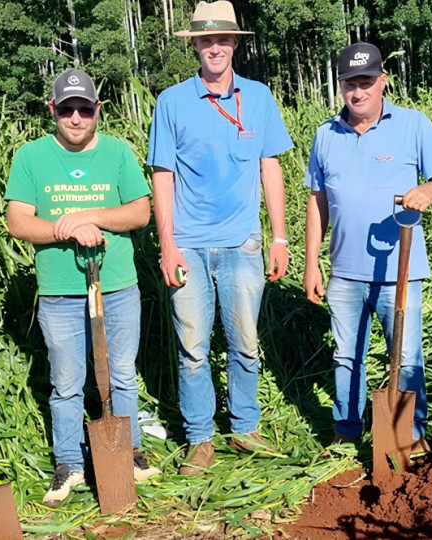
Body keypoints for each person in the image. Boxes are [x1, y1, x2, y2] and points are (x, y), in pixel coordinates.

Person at [146, 0, 293, 476]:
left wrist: (280, 238)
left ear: (234, 45)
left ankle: (245, 427)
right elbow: (162, 176)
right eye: (205, 40)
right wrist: (167, 245)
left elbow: (271, 167)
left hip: (244, 243)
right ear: (196, 47)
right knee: (191, 347)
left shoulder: (260, 97)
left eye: (222, 39)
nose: (215, 48)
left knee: (245, 341)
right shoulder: (171, 102)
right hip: (188, 243)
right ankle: (199, 438)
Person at [5, 68, 160, 507]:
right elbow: (18, 222)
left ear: (97, 110)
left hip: (117, 285)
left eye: (85, 109)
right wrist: (65, 230)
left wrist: (90, 218)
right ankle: (69, 464)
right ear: (52, 110)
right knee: (67, 382)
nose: (76, 118)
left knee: (122, 375)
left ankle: (129, 451)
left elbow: (139, 213)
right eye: (67, 109)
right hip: (59, 290)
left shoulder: (117, 153)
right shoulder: (31, 157)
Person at [303, 42, 432, 451]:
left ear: (382, 82)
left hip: (400, 272)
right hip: (344, 273)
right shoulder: (325, 135)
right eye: (351, 84)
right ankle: (346, 432)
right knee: (345, 358)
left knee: (406, 358)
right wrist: (311, 263)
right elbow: (317, 202)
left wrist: (428, 189)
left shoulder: (412, 125)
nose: (358, 92)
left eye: (366, 83)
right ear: (340, 86)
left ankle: (410, 436)